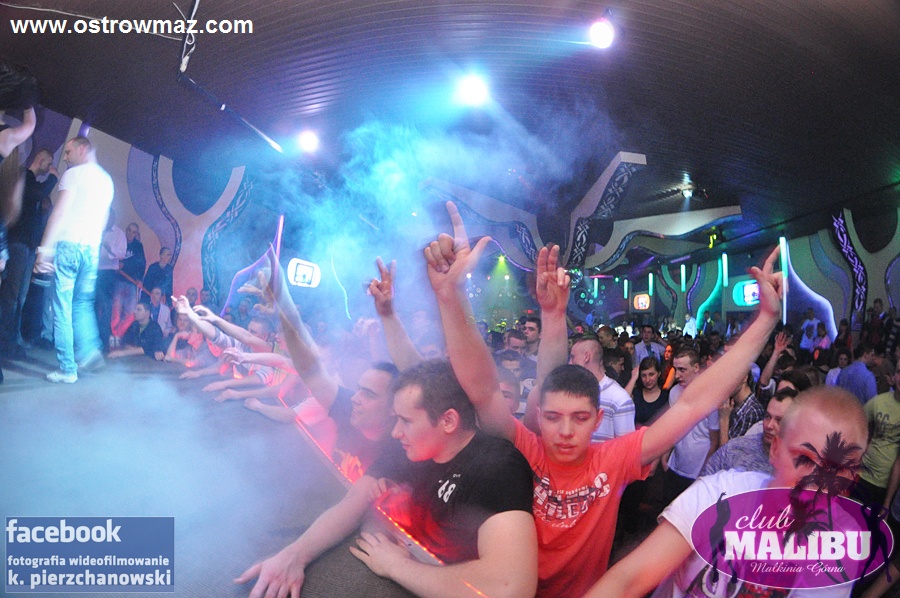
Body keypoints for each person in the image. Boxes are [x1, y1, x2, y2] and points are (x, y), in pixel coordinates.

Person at [422, 201, 784, 596]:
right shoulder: (527, 449)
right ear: (538, 415)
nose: (565, 431)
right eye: (553, 417)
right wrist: (451, 296)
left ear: (598, 420)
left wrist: (766, 320)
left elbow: (693, 403)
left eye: (580, 418)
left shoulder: (611, 461)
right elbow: (482, 389)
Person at [234, 360, 538, 598]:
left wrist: (399, 567)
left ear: (448, 420)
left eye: (406, 421)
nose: (395, 432)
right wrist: (293, 556)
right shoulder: (407, 448)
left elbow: (510, 586)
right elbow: (353, 502)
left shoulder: (497, 466)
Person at [34, 136, 114, 383]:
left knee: (63, 307)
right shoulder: (107, 180)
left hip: (69, 246)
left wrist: (44, 249)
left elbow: (59, 213)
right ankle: (89, 350)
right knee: (82, 303)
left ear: (83, 149)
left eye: (68, 152)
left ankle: (68, 368)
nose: (65, 158)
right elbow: (103, 221)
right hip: (91, 249)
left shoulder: (73, 175)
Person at [0, 148, 57, 357]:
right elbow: (37, 193)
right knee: (12, 295)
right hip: (18, 244)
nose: (50, 168)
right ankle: (5, 342)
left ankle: (12, 339)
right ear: (40, 160)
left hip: (26, 246)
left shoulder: (30, 181)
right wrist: (53, 178)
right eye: (48, 163)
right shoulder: (24, 176)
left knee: (19, 296)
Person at [701, 387, 798, 476]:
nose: (769, 425)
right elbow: (704, 481)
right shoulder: (735, 449)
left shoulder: (801, 465)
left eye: (779, 420)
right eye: (767, 417)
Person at [95, 208, 126, 353]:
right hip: (95, 271)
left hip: (109, 273)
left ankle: (104, 341)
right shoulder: (97, 230)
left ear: (113, 217)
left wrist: (109, 247)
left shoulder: (119, 234)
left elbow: (122, 254)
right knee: (93, 305)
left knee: (107, 307)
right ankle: (92, 340)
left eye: (109, 217)